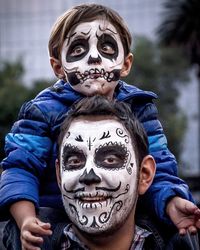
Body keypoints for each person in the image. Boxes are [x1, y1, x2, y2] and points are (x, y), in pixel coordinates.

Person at [0, 3, 200, 249]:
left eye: (106, 46)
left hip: (123, 216)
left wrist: (171, 202)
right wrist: (27, 219)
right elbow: (19, 169)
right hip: (55, 220)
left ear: (125, 64)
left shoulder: (140, 107)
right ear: (58, 68)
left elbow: (159, 167)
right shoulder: (42, 111)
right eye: (78, 48)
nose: (94, 56)